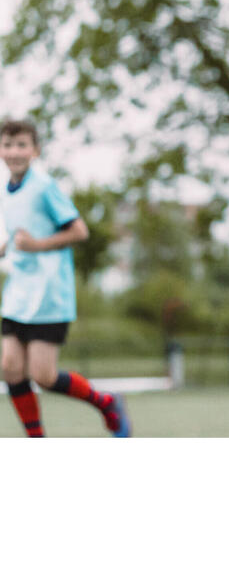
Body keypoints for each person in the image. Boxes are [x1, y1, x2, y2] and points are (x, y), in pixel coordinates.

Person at [0, 119, 131, 437]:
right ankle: (37, 439)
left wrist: (36, 246)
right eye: (7, 144)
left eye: (22, 145)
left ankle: (106, 402)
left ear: (35, 150)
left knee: (43, 376)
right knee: (10, 368)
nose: (14, 151)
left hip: (49, 294)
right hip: (19, 290)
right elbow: (21, 232)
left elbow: (79, 231)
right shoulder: (6, 189)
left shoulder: (43, 186)